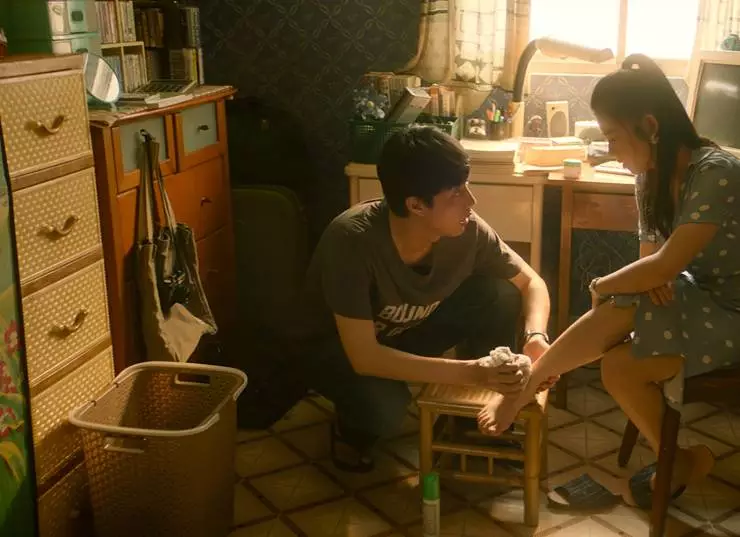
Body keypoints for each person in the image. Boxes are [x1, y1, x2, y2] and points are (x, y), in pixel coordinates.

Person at [478, 53, 738, 509]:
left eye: (614, 138)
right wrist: (644, 279)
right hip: (699, 299)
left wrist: (604, 286)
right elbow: (651, 265)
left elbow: (659, 268)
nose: (612, 151)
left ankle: (529, 384)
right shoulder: (650, 179)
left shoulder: (716, 172)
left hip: (733, 309)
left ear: (650, 127)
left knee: (620, 300)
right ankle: (679, 461)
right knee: (616, 366)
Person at [289, 125, 552, 472]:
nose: (471, 202)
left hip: (405, 332)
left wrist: (535, 337)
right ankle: (351, 430)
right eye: (456, 193)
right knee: (383, 411)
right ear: (415, 205)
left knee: (499, 293)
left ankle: (473, 417)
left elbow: (531, 283)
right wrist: (474, 373)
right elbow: (365, 357)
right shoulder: (351, 241)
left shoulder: (467, 229)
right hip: (339, 351)